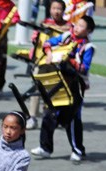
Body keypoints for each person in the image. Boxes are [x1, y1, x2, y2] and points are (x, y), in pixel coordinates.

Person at [31, 16, 95, 164]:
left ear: (89, 31)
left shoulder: (88, 47)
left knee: (72, 119)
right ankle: (45, 148)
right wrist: (49, 54)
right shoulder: (66, 37)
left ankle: (77, 150)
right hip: (57, 82)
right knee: (49, 114)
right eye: (77, 24)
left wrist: (69, 60)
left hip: (75, 86)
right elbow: (48, 43)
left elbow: (84, 68)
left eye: (81, 26)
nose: (77, 28)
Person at [25, 0, 68, 129]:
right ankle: (32, 117)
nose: (56, 11)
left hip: (58, 63)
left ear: (63, 10)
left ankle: (53, 116)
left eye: (59, 8)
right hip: (41, 61)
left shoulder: (68, 27)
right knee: (37, 86)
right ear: (50, 9)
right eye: (54, 8)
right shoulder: (43, 24)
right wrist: (35, 37)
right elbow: (35, 39)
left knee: (55, 89)